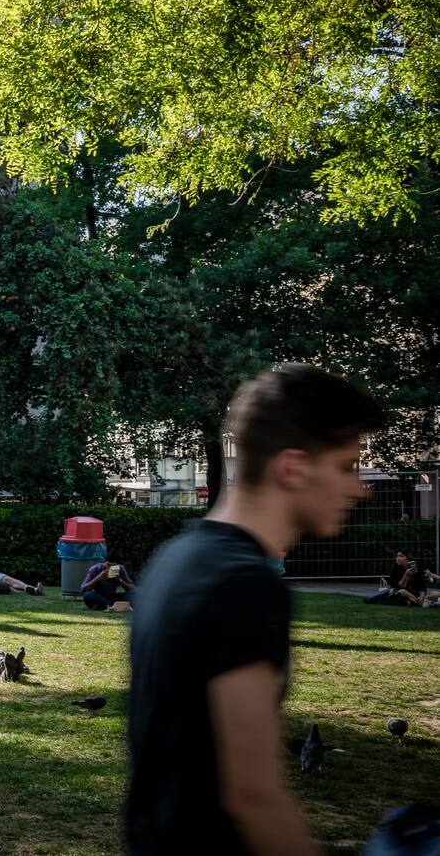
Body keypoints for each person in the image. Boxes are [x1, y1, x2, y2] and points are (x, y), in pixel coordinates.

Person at [126, 363, 384, 856]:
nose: (359, 488)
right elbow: (254, 796)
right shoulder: (243, 584)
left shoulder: (177, 558)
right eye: (346, 467)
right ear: (292, 467)